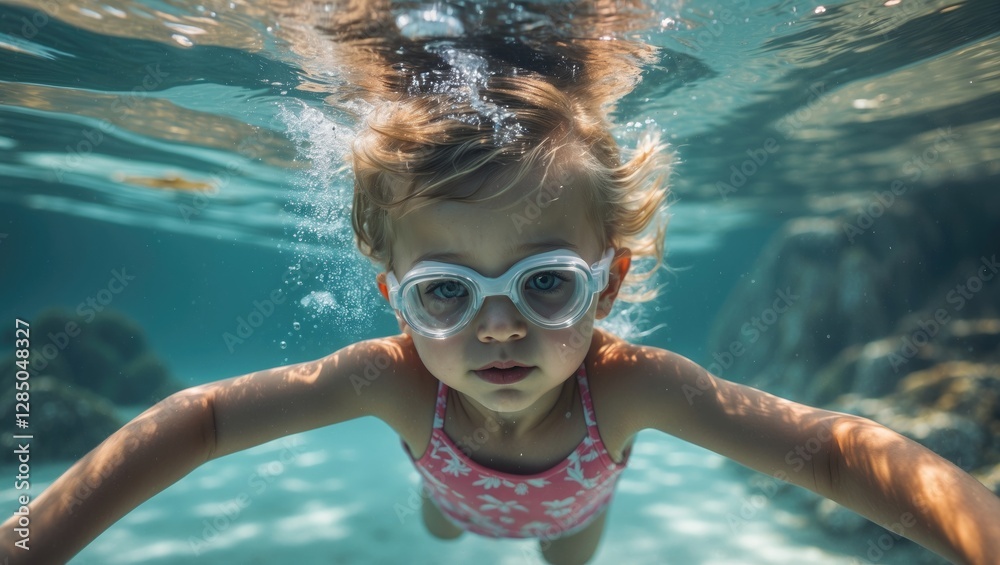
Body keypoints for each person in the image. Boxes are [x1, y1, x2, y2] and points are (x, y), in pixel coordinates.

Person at [4, 1, 1000, 564]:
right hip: (446, 481)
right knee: (446, 517)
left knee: (566, 552)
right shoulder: (393, 379)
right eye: (446, 290)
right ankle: (444, 515)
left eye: (546, 285)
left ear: (606, 286)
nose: (497, 329)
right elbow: (205, 422)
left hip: (574, 510)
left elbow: (831, 454)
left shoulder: (632, 387)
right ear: (393, 292)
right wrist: (32, 537)